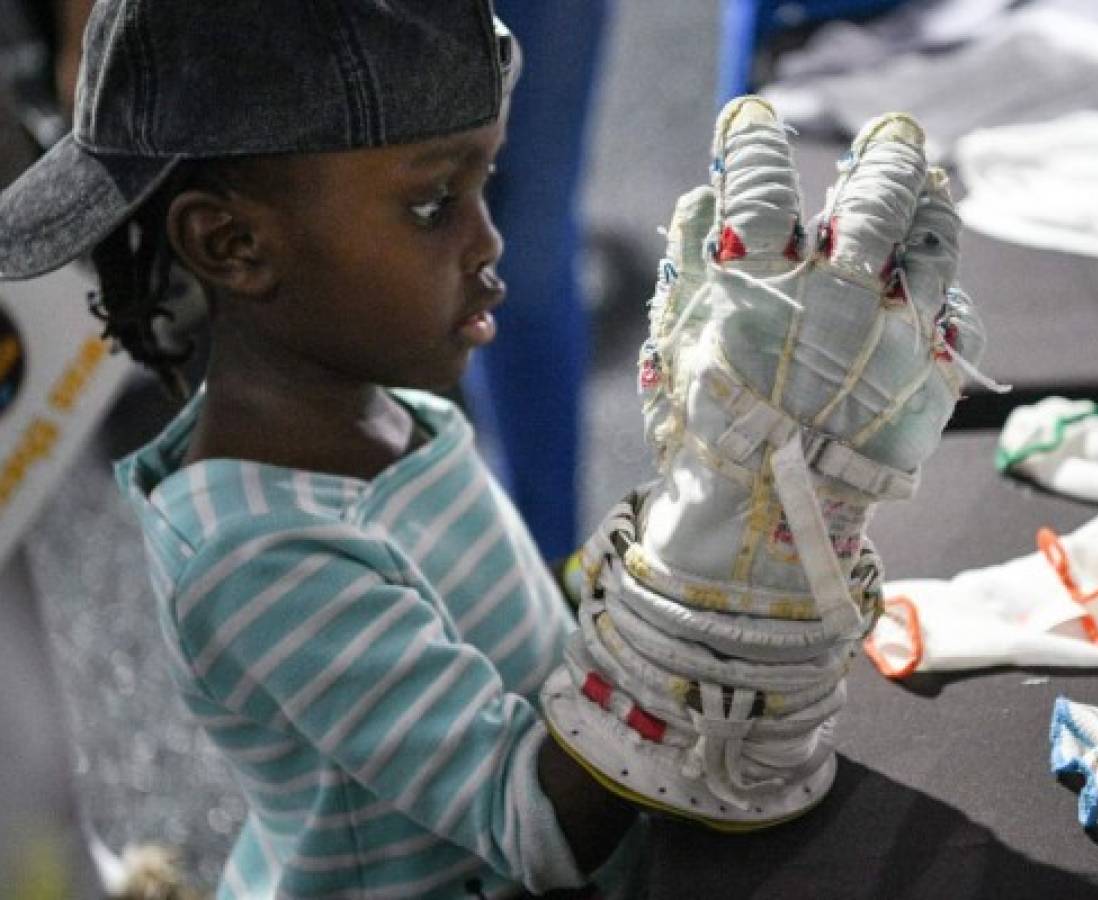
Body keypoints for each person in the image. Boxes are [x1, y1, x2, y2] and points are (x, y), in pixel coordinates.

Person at [0, 2, 641, 897]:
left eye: (482, 183)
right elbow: (536, 826)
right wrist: (680, 626)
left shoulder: (392, 405)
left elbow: (518, 654)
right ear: (233, 244)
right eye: (432, 203)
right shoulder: (256, 554)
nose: (488, 242)